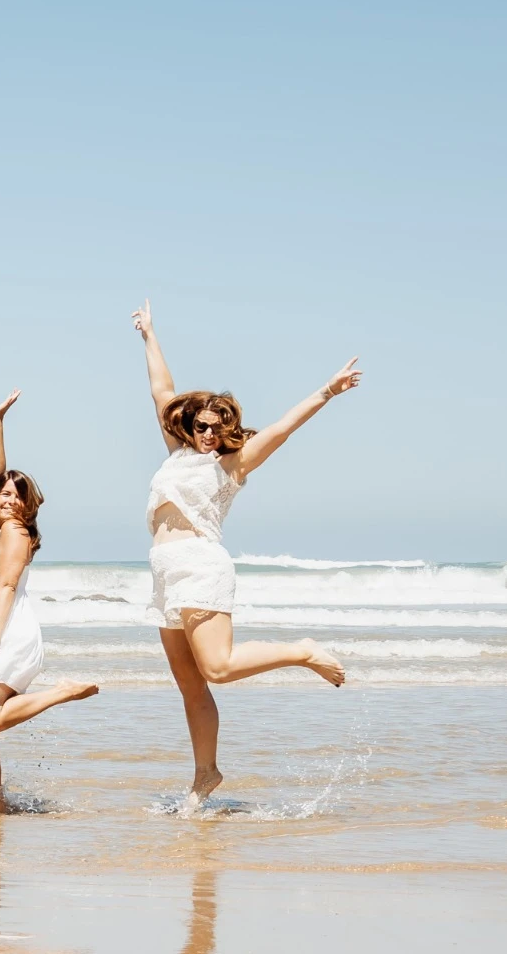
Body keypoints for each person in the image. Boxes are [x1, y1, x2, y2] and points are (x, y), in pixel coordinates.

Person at [132, 302, 358, 805]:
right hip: (164, 574)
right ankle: (206, 774)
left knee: (218, 668)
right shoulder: (177, 454)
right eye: (201, 426)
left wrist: (326, 391)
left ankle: (301, 651)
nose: (208, 434)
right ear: (190, 425)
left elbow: (281, 428)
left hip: (200, 565)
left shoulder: (231, 465)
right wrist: (149, 335)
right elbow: (162, 390)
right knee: (190, 685)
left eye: (217, 427)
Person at [0, 390, 98, 812]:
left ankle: (61, 692)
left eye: (17, 495)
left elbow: (7, 586)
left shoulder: (14, 532)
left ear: (28, 504)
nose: (8, 499)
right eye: (4, 494)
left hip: (1, 632)